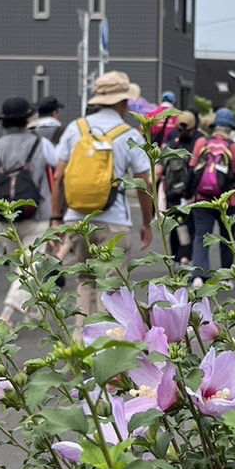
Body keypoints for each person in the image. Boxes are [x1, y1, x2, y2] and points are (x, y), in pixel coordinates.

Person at [52, 70, 154, 321]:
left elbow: (58, 176)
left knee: (85, 281)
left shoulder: (75, 129)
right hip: (114, 222)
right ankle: (108, 346)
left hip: (76, 218)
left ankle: (81, 344)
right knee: (112, 288)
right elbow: (144, 183)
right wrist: (146, 223)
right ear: (123, 102)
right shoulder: (129, 134)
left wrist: (56, 218)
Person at [0, 96, 59, 326]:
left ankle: (32, 311)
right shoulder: (41, 144)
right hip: (38, 213)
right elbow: (58, 170)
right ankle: (8, 312)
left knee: (20, 266)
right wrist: (58, 215)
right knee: (32, 265)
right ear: (27, 119)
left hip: (7, 217)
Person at [188, 107, 235, 286]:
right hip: (229, 200)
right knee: (227, 239)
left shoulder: (201, 143)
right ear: (230, 128)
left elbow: (192, 170)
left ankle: (199, 275)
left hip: (201, 198)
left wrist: (188, 194)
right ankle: (226, 277)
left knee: (201, 236)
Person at [155, 110, 198, 266]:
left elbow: (159, 171)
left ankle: (174, 258)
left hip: (171, 193)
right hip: (187, 194)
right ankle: (185, 258)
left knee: (173, 226)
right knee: (187, 226)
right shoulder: (194, 145)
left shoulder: (171, 145)